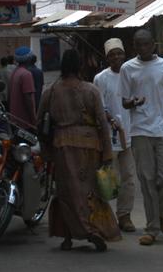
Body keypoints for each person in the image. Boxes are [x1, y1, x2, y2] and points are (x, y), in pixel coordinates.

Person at [37, 49, 121, 252]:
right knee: (90, 192)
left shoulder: (51, 90)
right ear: (80, 66)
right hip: (90, 147)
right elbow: (102, 122)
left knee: (66, 193)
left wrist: (45, 151)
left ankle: (67, 237)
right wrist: (107, 152)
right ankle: (92, 229)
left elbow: (40, 122)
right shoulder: (90, 90)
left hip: (62, 146)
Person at [117, 29, 163, 246]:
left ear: (153, 45)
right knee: (147, 180)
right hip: (140, 131)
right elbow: (124, 102)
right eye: (138, 45)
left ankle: (161, 212)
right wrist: (132, 102)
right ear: (134, 46)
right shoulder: (127, 68)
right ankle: (153, 228)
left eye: (146, 44)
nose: (142, 48)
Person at [93, 38, 136, 233]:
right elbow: (99, 107)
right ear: (107, 57)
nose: (116, 57)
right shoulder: (101, 78)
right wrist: (110, 120)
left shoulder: (133, 74)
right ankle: (105, 217)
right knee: (109, 179)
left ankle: (124, 215)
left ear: (124, 54)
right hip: (110, 137)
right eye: (112, 54)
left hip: (131, 135)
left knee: (129, 178)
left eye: (119, 53)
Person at [9, 46, 37, 130]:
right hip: (24, 121)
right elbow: (28, 98)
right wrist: (34, 119)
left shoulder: (15, 72)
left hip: (14, 119)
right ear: (29, 59)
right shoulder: (26, 74)